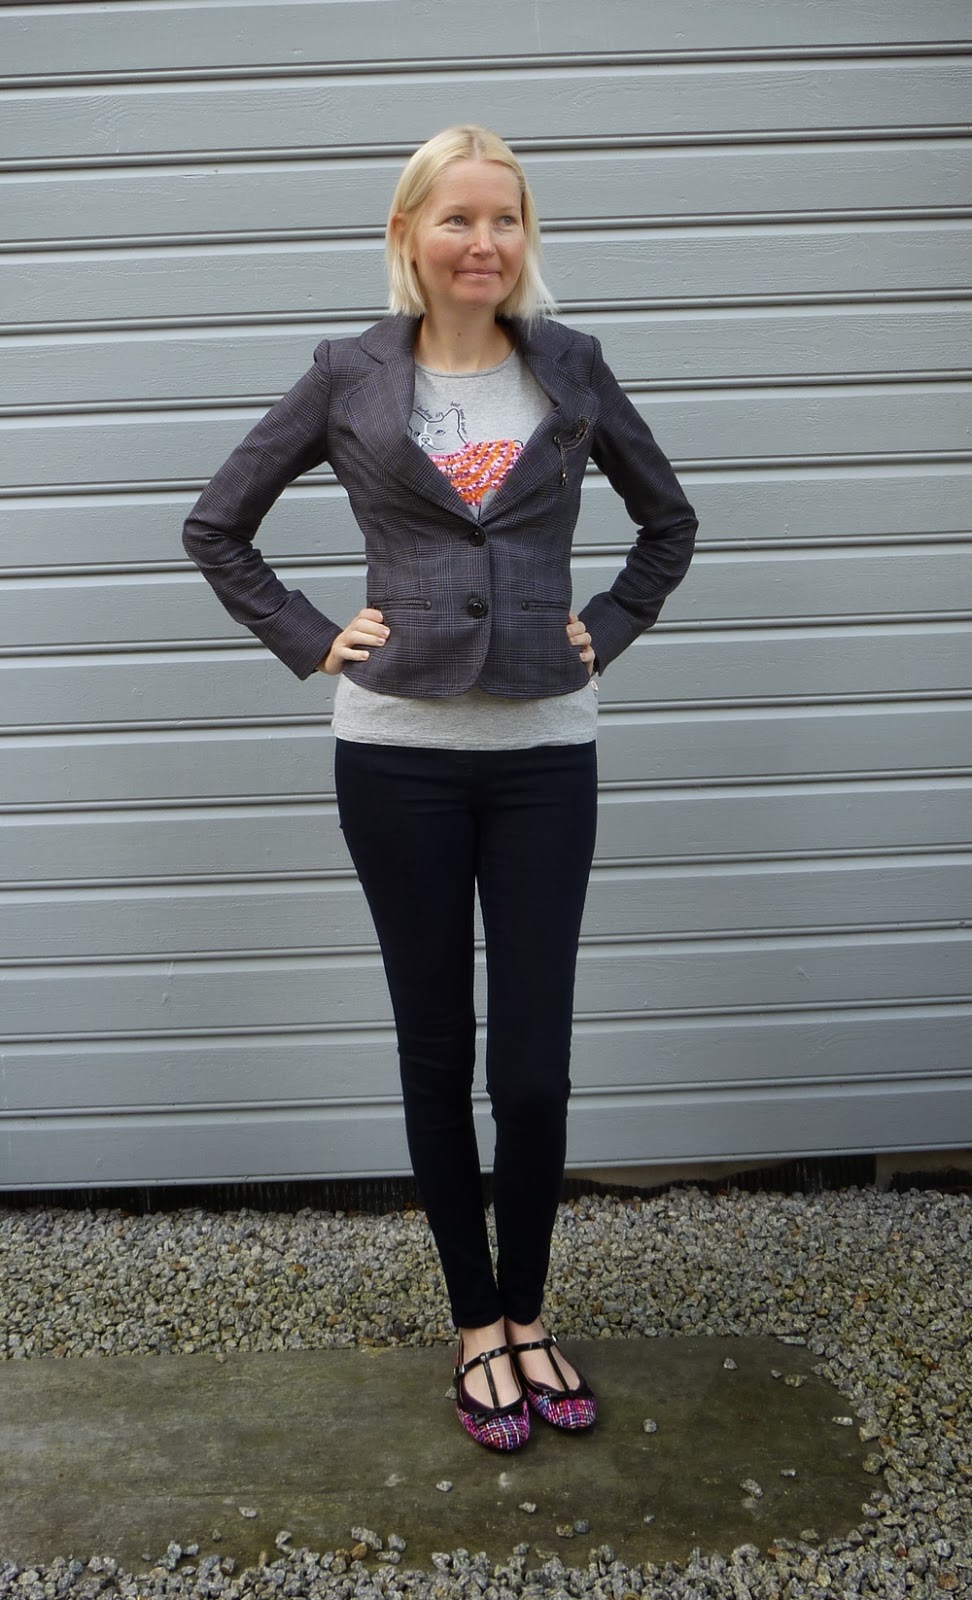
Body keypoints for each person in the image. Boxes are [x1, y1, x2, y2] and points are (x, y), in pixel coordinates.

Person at [182, 125, 697, 1452]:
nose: (483, 243)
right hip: (396, 754)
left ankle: (530, 1308)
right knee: (434, 1047)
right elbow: (217, 526)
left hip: (544, 754)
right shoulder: (348, 374)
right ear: (408, 233)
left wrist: (607, 628)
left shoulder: (571, 368)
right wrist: (314, 637)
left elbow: (669, 524)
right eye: (457, 218)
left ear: (527, 237)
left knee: (532, 1067)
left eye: (504, 219)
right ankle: (476, 1325)